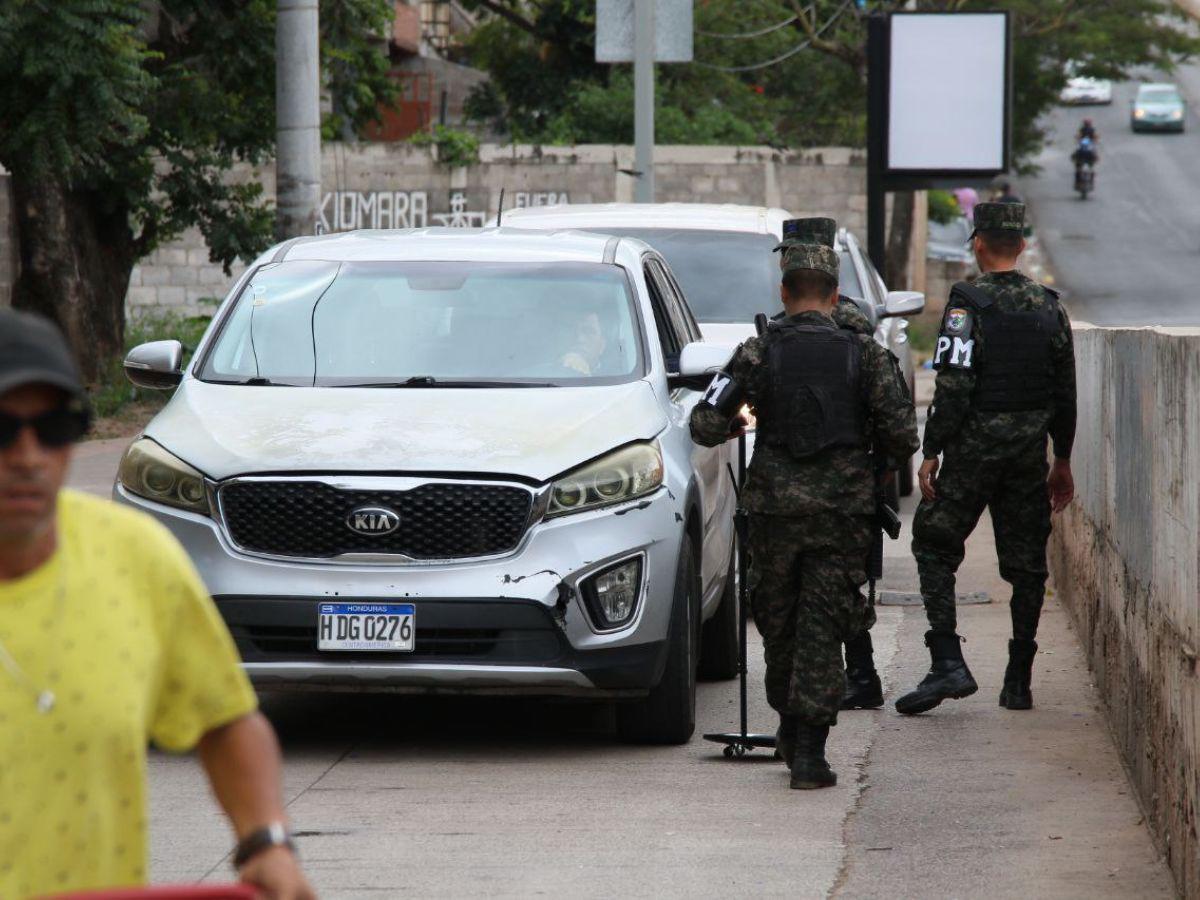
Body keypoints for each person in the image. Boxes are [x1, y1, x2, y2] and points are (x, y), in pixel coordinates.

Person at [0, 309, 314, 899]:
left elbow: (225, 720)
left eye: (55, 427)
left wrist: (266, 841)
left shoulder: (133, 557)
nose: (28, 455)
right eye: (2, 429)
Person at [690, 244, 918, 790]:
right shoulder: (866, 355)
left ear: (784, 292)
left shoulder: (756, 352)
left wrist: (738, 424)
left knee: (780, 623)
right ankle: (809, 749)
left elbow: (704, 422)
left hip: (775, 513)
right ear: (835, 296)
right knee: (824, 624)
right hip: (841, 514)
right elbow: (903, 435)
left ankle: (793, 728)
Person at [895, 202, 1076, 717]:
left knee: (933, 545)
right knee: (1027, 566)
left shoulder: (966, 305)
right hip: (1027, 458)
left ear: (977, 244)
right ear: (1021, 245)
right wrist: (1062, 459)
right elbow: (1065, 392)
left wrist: (932, 450)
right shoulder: (1049, 307)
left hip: (973, 456)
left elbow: (953, 386)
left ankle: (948, 662)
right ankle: (1018, 681)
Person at [773, 217, 898, 711]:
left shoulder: (839, 326)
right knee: (838, 586)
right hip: (844, 483)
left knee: (830, 592)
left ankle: (856, 677)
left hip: (822, 480)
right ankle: (856, 675)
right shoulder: (847, 322)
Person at [559, 310, 606, 375]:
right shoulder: (546, 371)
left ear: (602, 345)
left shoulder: (614, 377)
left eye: (588, 331)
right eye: (572, 330)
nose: (579, 339)